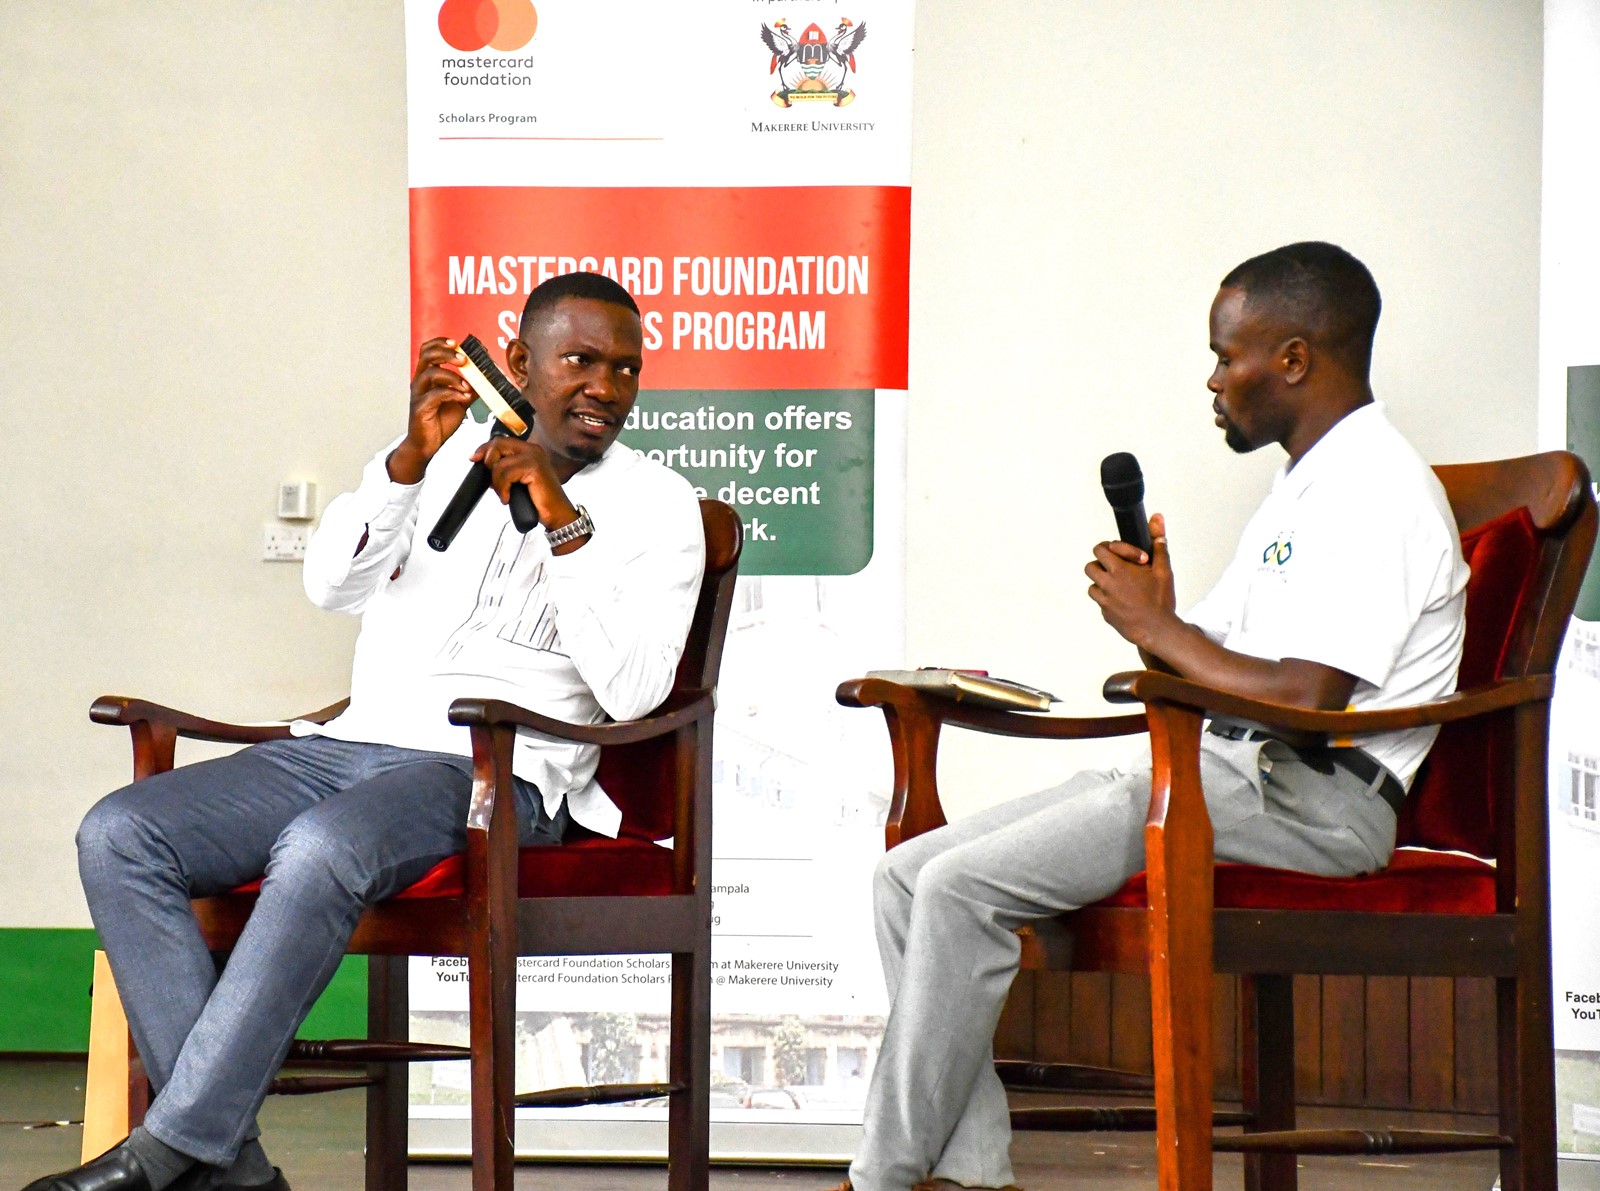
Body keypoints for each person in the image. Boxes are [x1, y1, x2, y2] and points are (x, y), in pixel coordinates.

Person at [27, 272, 706, 1191]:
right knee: (120, 830)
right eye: (580, 360)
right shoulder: (441, 460)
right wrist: (406, 465)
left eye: (625, 369)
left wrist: (559, 515)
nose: (606, 387)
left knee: (318, 847)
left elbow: (632, 694)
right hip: (347, 745)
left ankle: (168, 1149)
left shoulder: (662, 509)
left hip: (492, 770)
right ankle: (231, 1165)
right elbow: (331, 587)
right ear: (517, 364)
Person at [842, 242, 1469, 1191]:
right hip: (1226, 773)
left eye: (1227, 356)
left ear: (1294, 359)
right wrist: (1161, 620)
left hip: (1316, 802)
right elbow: (1200, 669)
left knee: (962, 888)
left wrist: (1163, 630)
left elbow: (1307, 703)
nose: (1213, 381)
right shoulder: (1304, 487)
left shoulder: (1379, 486)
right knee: (907, 876)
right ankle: (969, 1176)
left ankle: (880, 1177)